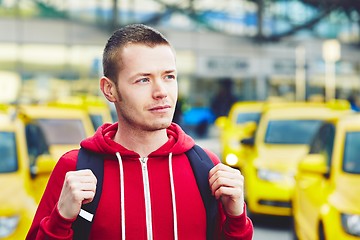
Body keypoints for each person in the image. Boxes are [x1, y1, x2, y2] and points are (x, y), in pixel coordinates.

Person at [26, 23, 253, 239]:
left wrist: (237, 218)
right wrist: (61, 219)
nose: (161, 92)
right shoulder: (75, 169)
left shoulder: (205, 166)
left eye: (169, 77)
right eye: (143, 80)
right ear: (109, 89)